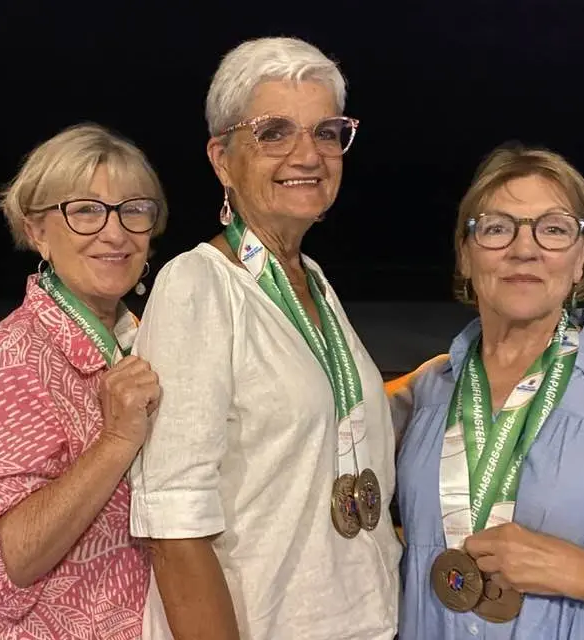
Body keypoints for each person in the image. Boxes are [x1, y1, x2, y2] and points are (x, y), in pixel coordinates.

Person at [128, 37, 402, 639]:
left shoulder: (314, 282)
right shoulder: (200, 284)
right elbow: (174, 524)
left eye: (327, 132)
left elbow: (319, 421)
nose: (308, 154)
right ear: (223, 158)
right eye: (275, 132)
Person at [393, 143, 584, 639]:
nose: (524, 248)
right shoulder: (428, 394)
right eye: (497, 228)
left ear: (583, 258)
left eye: (554, 229)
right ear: (466, 255)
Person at [0, 123, 166, 639]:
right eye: (85, 210)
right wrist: (114, 442)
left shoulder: (148, 342)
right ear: (37, 230)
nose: (115, 232)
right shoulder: (8, 364)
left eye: (134, 209)